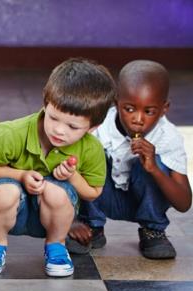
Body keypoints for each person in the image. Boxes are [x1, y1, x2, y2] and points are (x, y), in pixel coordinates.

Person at [0, 58, 115, 277]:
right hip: (12, 211)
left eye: (72, 126)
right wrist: (20, 175)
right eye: (54, 118)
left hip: (54, 217)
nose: (59, 130)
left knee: (55, 191)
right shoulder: (11, 133)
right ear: (45, 101)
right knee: (4, 191)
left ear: (92, 127)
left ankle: (56, 246)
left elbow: (93, 193)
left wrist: (72, 176)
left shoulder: (91, 148)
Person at [67, 60, 192, 259]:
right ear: (116, 102)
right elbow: (65, 170)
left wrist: (154, 170)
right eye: (129, 109)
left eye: (149, 111)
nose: (138, 119)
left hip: (140, 201)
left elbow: (184, 203)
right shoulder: (99, 127)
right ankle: (91, 224)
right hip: (99, 196)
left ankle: (152, 230)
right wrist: (70, 221)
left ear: (164, 109)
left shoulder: (168, 137)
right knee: (86, 153)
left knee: (156, 161)